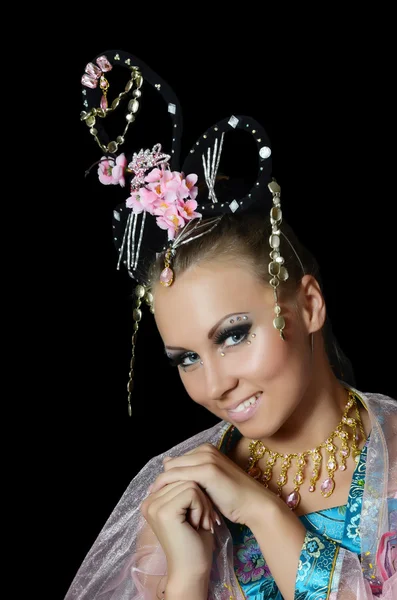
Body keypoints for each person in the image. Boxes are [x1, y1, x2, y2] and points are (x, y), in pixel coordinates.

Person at [67, 49, 396, 599]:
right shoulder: (178, 496)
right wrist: (190, 575)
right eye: (186, 359)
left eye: (234, 335)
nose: (215, 384)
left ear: (309, 306)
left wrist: (262, 511)